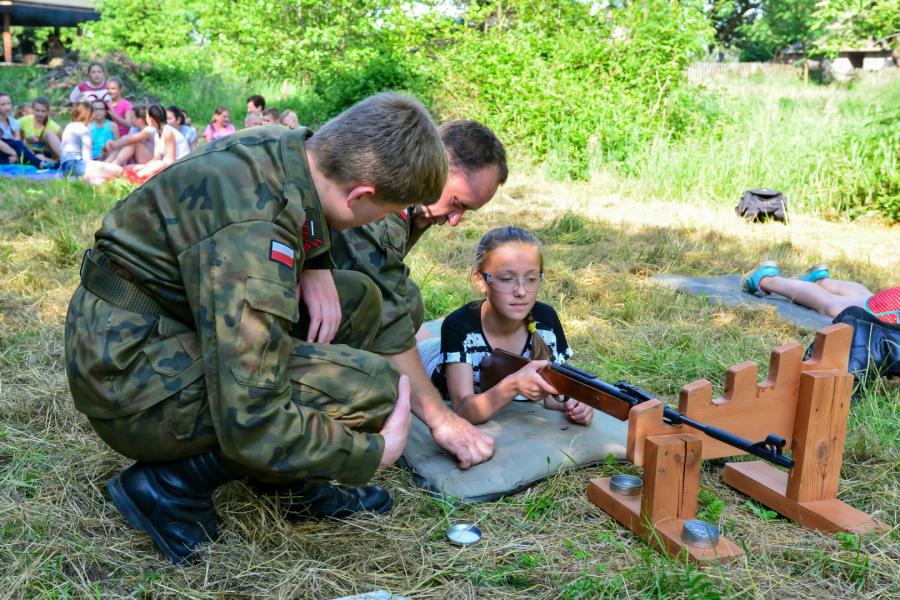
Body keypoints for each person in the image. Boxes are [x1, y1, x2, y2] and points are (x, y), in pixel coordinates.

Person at [64, 91, 448, 564]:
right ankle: (169, 487)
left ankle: (285, 479)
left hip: (155, 324)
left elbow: (296, 204)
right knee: (372, 389)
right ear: (360, 195)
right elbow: (252, 415)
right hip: (128, 379)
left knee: (359, 302)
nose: (383, 221)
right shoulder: (255, 240)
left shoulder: (288, 147)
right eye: (387, 212)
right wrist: (370, 453)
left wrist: (315, 260)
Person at [316, 120, 507, 469]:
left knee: (410, 301)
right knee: (378, 391)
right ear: (437, 164)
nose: (454, 221)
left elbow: (391, 293)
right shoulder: (381, 205)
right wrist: (441, 419)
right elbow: (387, 315)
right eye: (456, 203)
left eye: (466, 212)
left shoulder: (413, 208)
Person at [430, 226, 593, 425]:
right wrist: (513, 385)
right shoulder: (459, 326)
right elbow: (464, 410)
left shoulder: (546, 321)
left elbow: (552, 397)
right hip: (429, 360)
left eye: (531, 279)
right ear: (480, 280)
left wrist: (574, 404)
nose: (521, 291)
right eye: (507, 279)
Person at [742, 261, 899, 323]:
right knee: (829, 303)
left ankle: (819, 281)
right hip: (891, 309)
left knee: (867, 300)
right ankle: (766, 279)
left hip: (893, 303)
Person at [58, 101, 123, 183]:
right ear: (90, 115)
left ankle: (75, 179)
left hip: (65, 167)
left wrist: (101, 157)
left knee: (99, 178)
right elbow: (87, 159)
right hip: (78, 165)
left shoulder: (69, 126)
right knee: (118, 170)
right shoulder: (84, 130)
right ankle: (82, 178)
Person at [123, 104, 191, 182]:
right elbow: (156, 158)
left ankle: (134, 179)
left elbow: (170, 161)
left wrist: (149, 170)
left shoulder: (168, 133)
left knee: (159, 164)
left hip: (180, 168)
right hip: (164, 164)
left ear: (151, 119)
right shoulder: (156, 133)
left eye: (147, 117)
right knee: (132, 167)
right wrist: (145, 167)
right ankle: (134, 177)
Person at [0, 91, 49, 168]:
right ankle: (39, 164)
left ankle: (50, 163)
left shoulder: (13, 122)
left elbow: (18, 142)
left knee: (21, 147)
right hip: (5, 150)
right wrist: (14, 153)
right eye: (3, 104)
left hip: (9, 152)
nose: (7, 107)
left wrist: (24, 151)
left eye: (9, 103)